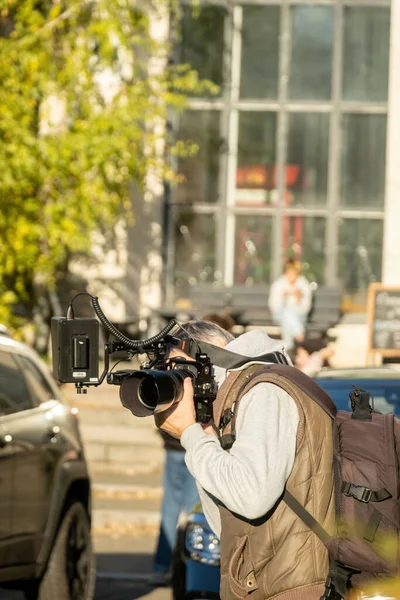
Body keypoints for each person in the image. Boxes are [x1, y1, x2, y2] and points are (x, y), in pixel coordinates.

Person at [154, 321, 335, 600]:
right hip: (267, 583)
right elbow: (226, 524)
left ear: (212, 358)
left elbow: (251, 497)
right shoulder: (236, 398)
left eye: (182, 369)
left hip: (294, 587)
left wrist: (191, 434)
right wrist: (202, 433)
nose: (181, 382)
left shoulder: (264, 391)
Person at [152, 430, 199, 584]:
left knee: (170, 509)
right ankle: (192, 569)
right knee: (194, 513)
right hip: (196, 447)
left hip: (174, 446)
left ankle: (161, 568)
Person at [268, 259, 312, 353]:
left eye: (294, 273)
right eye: (290, 273)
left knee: (287, 317)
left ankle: (289, 346)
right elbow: (274, 306)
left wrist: (299, 298)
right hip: (281, 314)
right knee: (286, 313)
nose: (292, 276)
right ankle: (299, 335)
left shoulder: (303, 284)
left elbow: (306, 307)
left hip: (298, 315)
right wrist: (283, 296)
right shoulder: (279, 284)